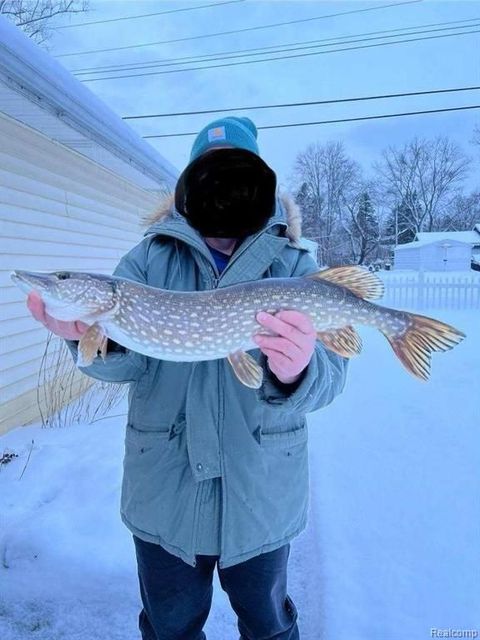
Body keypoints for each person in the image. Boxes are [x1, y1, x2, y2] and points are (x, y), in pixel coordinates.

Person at [26, 116, 349, 640]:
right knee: (170, 628)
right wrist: (84, 337)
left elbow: (333, 375)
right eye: (209, 172)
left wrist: (298, 371)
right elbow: (129, 363)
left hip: (260, 494)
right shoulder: (146, 262)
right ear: (189, 182)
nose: (223, 186)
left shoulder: (295, 265)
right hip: (166, 496)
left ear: (261, 182)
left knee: (269, 626)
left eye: (237, 173)